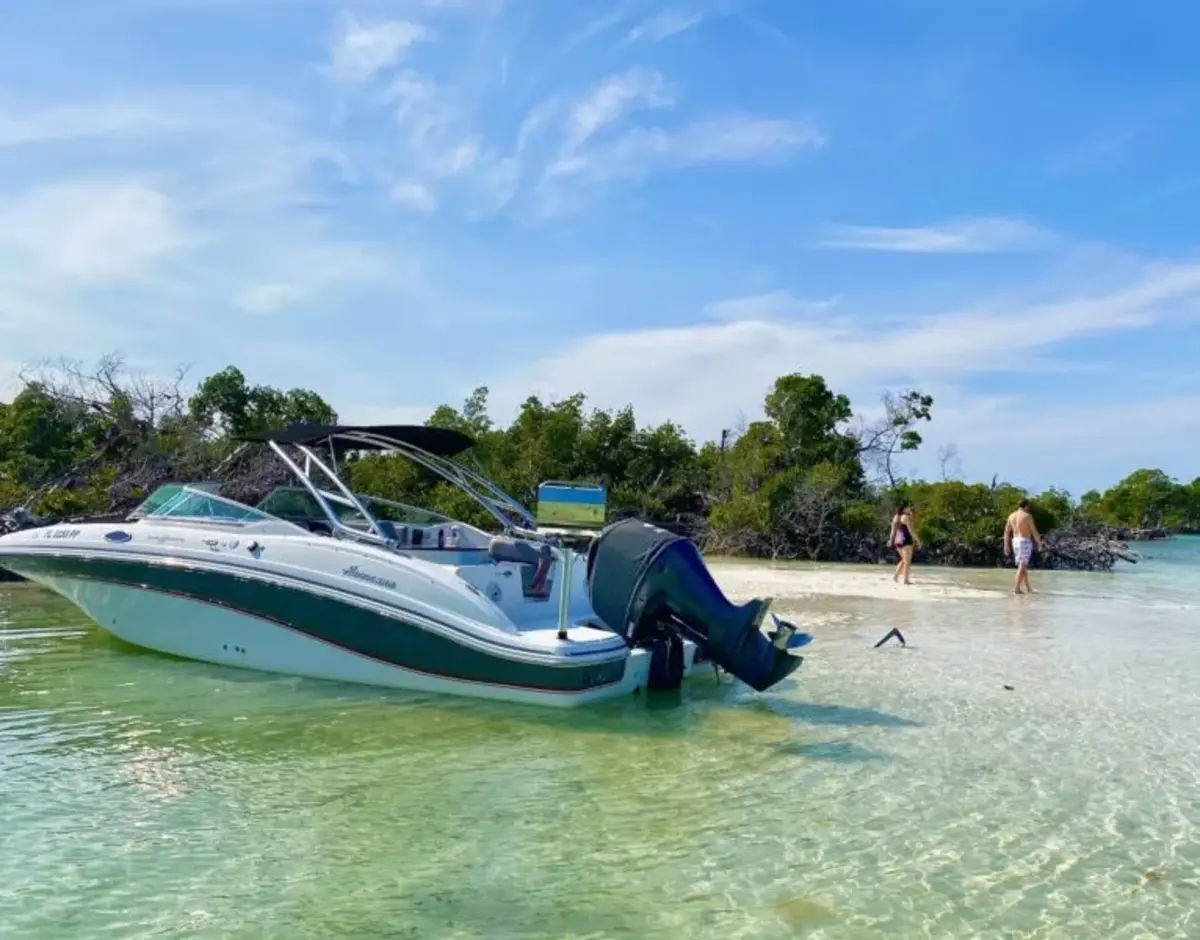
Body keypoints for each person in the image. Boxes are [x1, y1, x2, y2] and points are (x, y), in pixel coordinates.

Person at [1003, 498, 1044, 594]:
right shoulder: (1027, 516)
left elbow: (1006, 532)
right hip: (1024, 541)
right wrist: (1039, 543)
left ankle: (1028, 588)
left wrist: (1006, 545)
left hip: (1015, 541)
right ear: (1026, 506)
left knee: (1023, 566)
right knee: (1022, 566)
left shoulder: (1011, 516)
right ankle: (1016, 588)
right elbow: (1034, 532)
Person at [889, 504, 920, 584]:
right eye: (908, 507)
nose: (910, 508)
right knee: (907, 561)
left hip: (897, 540)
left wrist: (890, 540)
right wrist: (918, 540)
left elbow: (892, 531)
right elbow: (911, 531)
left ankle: (895, 576)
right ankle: (906, 580)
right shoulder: (906, 517)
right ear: (904, 509)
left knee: (903, 559)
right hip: (906, 540)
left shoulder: (896, 517)